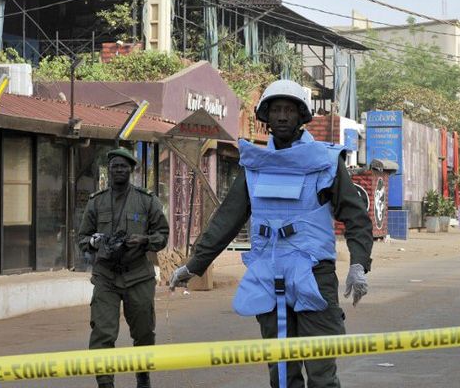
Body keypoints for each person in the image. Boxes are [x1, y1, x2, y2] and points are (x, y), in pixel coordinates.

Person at [170, 80, 373, 388]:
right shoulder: (255, 164)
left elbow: (356, 216)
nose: (281, 117)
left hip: (314, 274)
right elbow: (227, 219)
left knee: (321, 371)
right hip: (268, 274)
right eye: (275, 110)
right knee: (280, 373)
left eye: (288, 110)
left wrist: (359, 264)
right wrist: (194, 265)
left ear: (301, 116)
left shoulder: (326, 161)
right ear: (265, 116)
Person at [79, 148, 169, 388]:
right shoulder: (96, 202)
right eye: (114, 166)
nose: (119, 170)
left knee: (144, 333)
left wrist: (145, 241)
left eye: (123, 166)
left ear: (132, 170)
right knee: (102, 333)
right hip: (106, 276)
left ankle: (143, 377)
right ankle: (105, 383)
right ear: (108, 170)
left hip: (138, 275)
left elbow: (162, 234)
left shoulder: (146, 200)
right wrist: (94, 242)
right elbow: (82, 238)